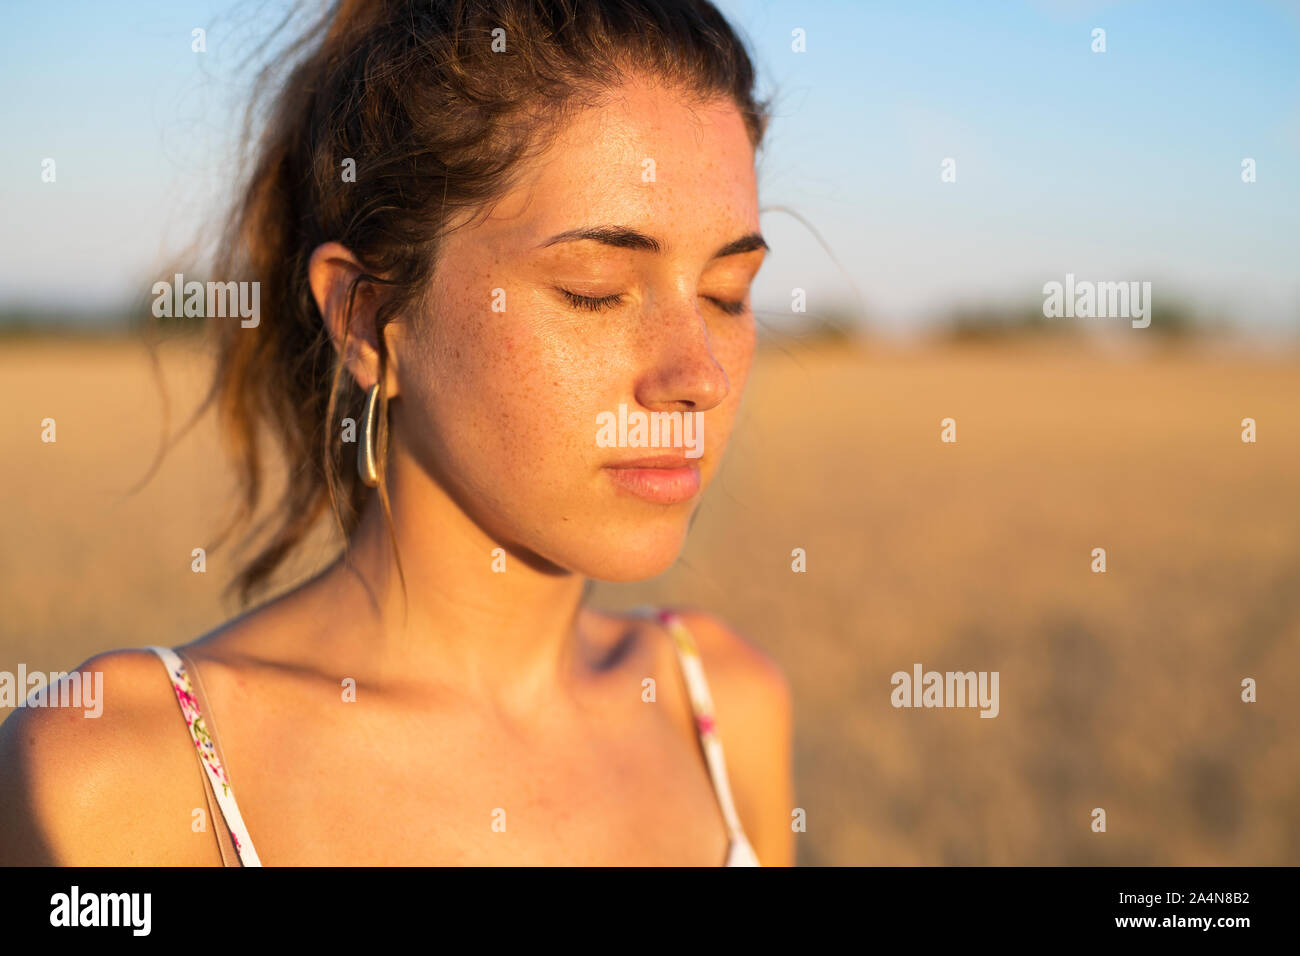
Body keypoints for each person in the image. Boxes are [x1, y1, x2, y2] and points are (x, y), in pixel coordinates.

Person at [0, 0, 793, 866]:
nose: (701, 374)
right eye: (595, 290)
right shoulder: (130, 773)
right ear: (369, 318)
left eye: (727, 294)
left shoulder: (719, 703)